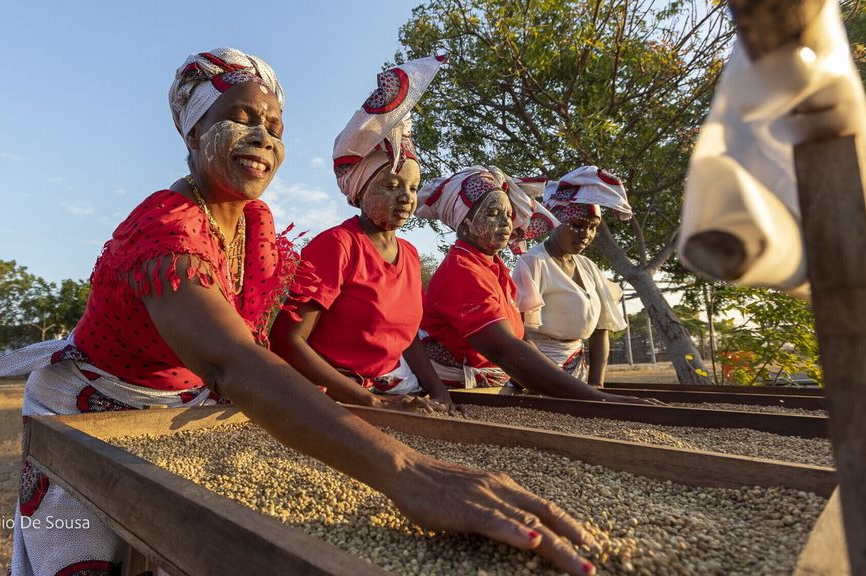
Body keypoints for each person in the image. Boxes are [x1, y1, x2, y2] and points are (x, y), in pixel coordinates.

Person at [0, 47, 598, 576]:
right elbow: (230, 361)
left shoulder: (256, 223)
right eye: (238, 119)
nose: (261, 140)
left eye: (273, 128)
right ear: (191, 131)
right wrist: (409, 473)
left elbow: (256, 347)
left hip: (182, 410)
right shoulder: (166, 230)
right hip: (91, 409)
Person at [270, 56, 455, 413]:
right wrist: (374, 403)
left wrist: (440, 395)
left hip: (394, 383)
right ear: (359, 189)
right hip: (335, 391)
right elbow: (288, 341)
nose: (406, 198)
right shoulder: (337, 247)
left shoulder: (411, 255)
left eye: (413, 188)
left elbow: (407, 340)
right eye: (390, 185)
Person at [415, 166, 658, 405]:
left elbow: (519, 339)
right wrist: (600, 398)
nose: (506, 223)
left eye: (508, 214)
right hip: (455, 389)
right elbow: (505, 350)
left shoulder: (494, 267)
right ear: (465, 225)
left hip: (488, 383)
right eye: (492, 214)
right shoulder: (463, 271)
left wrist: (588, 389)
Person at [512, 167, 632, 388]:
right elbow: (518, 333)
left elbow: (600, 329)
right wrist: (548, 379)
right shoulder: (534, 262)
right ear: (555, 221)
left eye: (592, 227)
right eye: (577, 225)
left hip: (578, 372)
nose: (585, 234)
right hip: (538, 374)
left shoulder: (589, 268)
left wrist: (596, 386)